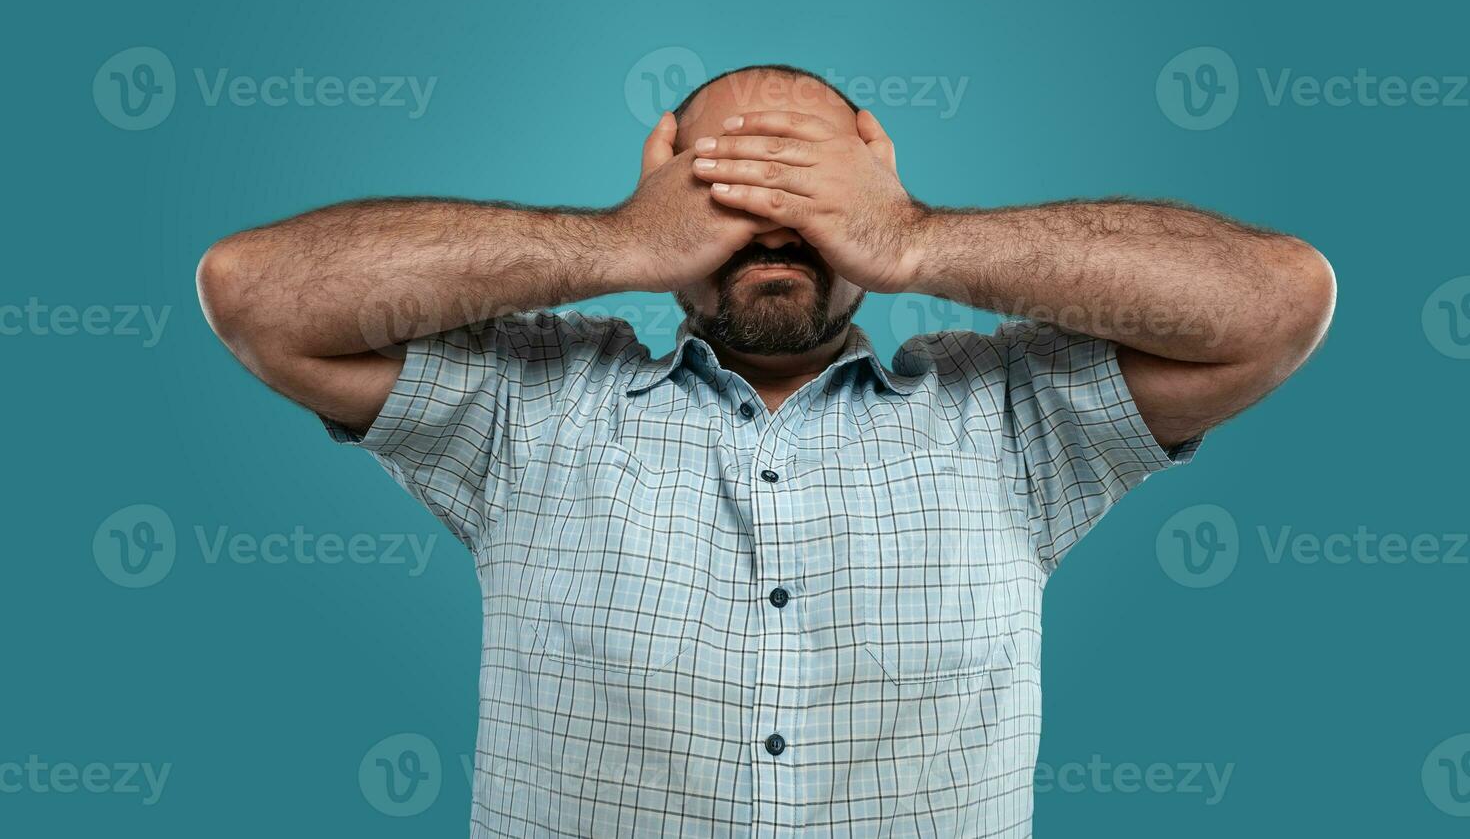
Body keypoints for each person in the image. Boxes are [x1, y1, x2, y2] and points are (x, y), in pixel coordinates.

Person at [196, 64, 1335, 836]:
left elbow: (1276, 302)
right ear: (661, 176)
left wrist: (914, 234)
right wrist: (620, 241)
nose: (777, 224)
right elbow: (257, 295)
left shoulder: (1007, 413)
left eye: (813, 188)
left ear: (874, 181)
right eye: (731, 185)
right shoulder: (525, 404)